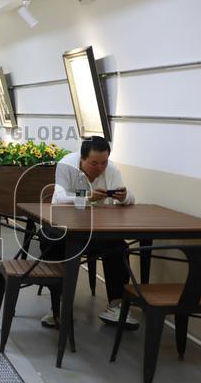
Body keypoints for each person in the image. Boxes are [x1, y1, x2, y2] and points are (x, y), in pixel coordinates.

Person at [40, 136, 139, 329]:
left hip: (96, 229)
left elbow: (130, 198)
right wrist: (86, 196)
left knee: (119, 247)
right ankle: (57, 305)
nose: (100, 168)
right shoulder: (66, 165)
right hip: (63, 226)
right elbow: (59, 198)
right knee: (51, 242)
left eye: (104, 162)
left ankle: (115, 306)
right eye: (94, 163)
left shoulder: (111, 169)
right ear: (81, 158)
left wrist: (125, 197)